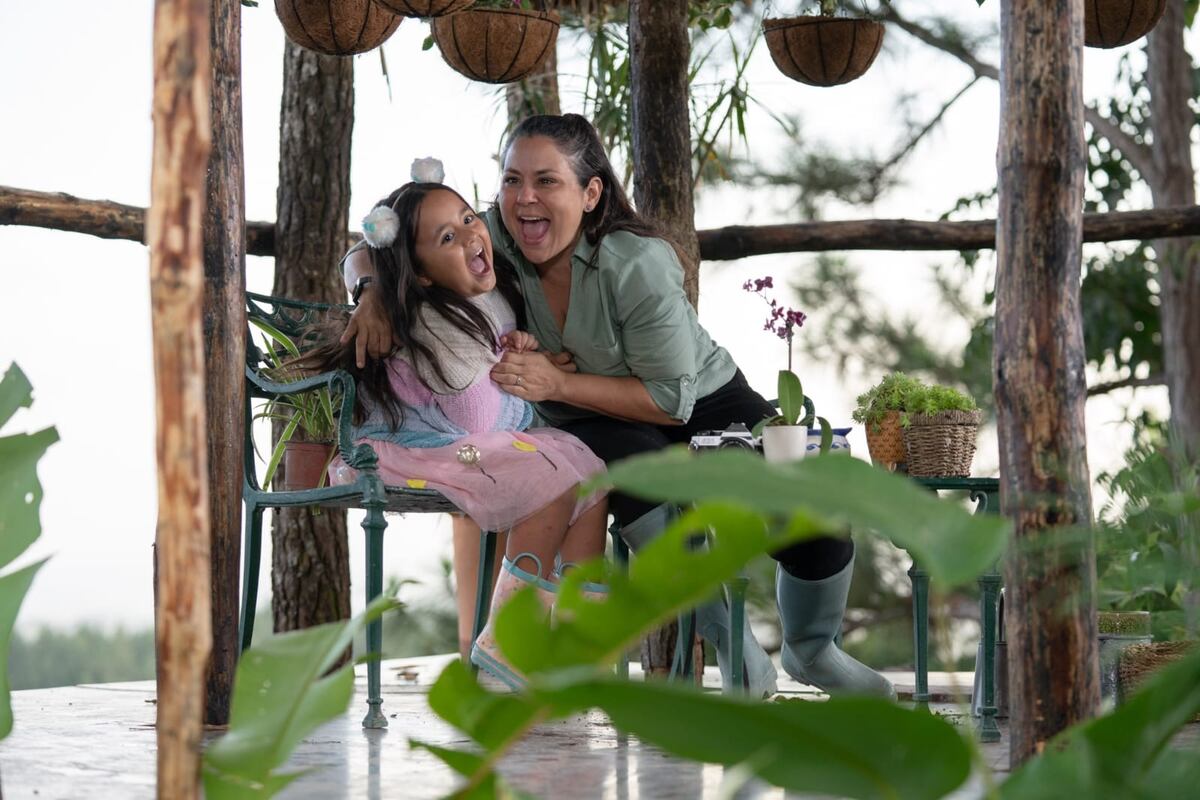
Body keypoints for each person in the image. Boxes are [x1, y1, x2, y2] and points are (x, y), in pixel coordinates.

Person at [343, 115, 894, 700]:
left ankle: (813, 651)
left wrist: (554, 383)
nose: (524, 198)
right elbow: (383, 241)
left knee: (803, 495)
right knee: (630, 473)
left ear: (591, 192)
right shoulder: (497, 234)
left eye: (547, 181)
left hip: (697, 401)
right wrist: (370, 291)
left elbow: (671, 398)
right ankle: (730, 641)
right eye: (511, 181)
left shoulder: (637, 263)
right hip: (595, 423)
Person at [323, 181, 609, 689]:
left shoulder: (484, 289)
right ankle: (508, 642)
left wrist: (512, 350)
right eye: (447, 238)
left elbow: (492, 368)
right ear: (423, 274)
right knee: (551, 480)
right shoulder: (436, 322)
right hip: (427, 448)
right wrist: (513, 368)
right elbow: (478, 416)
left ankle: (576, 634)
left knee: (589, 471)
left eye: (469, 219)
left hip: (472, 439)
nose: (472, 234)